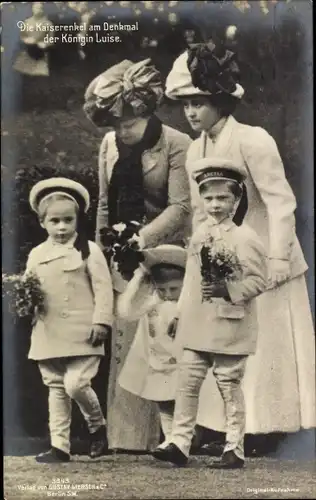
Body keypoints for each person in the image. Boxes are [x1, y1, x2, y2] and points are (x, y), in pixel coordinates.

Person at [164, 42, 316, 454]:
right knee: (221, 337)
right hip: (219, 263)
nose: (191, 112)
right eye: (185, 105)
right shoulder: (197, 149)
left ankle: (265, 429)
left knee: (263, 341)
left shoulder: (253, 139)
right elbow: (200, 214)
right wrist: (197, 265)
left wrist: (278, 257)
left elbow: (281, 200)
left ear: (220, 100)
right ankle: (225, 431)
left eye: (199, 103)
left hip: (263, 256)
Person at [83, 58, 192, 451]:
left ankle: (174, 437)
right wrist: (100, 251)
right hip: (121, 251)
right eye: (115, 125)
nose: (121, 132)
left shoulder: (177, 143)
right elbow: (104, 204)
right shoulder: (110, 144)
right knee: (127, 339)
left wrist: (140, 239)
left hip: (166, 253)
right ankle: (126, 438)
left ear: (148, 114)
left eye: (129, 124)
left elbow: (180, 206)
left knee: (164, 340)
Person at [152, 157, 268, 469]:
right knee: (187, 382)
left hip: (228, 323)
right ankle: (179, 442)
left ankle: (234, 448)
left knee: (229, 384)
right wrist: (179, 313)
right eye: (209, 198)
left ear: (236, 199)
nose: (215, 205)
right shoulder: (201, 233)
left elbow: (259, 280)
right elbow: (191, 280)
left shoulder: (245, 238)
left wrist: (228, 291)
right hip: (197, 323)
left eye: (223, 198)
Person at [26, 178, 114, 463]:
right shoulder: (37, 254)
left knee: (75, 384)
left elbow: (102, 288)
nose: (62, 227)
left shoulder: (88, 250)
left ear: (77, 219)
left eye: (68, 220)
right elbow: (30, 289)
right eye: (54, 221)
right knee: (55, 386)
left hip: (83, 331)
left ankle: (96, 425)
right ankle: (59, 446)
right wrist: (25, 305)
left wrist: (101, 321)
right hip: (49, 330)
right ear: (43, 223)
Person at [117, 245, 186, 446]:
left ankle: (182, 439)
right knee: (162, 400)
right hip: (158, 360)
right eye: (162, 289)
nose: (167, 294)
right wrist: (140, 275)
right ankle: (170, 438)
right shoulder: (153, 302)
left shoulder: (187, 304)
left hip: (181, 360)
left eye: (174, 289)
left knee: (182, 401)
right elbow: (125, 311)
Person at [13, 2, 55, 77]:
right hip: (27, 55)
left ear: (43, 10)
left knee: (39, 81)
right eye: (35, 8)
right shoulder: (27, 22)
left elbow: (51, 40)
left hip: (41, 56)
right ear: (32, 9)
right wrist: (26, 40)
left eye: (40, 8)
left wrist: (45, 44)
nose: (37, 10)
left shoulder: (48, 24)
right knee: (26, 80)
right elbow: (21, 36)